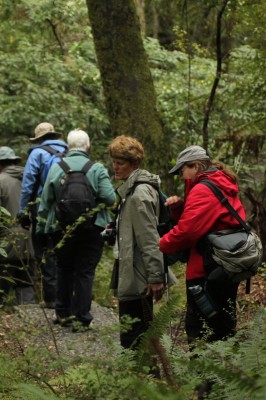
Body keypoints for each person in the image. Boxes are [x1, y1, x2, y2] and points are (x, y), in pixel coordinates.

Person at [159, 145, 246, 345]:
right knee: (222, 328)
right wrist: (180, 207)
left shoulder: (203, 190)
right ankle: (224, 375)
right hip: (225, 268)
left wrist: (162, 243)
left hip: (206, 271)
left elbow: (187, 232)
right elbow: (208, 224)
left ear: (196, 166)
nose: (181, 177)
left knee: (200, 331)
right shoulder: (221, 183)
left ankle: (203, 376)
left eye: (182, 171)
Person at [36, 128, 116, 331]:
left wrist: (41, 228)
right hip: (93, 227)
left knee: (63, 268)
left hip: (61, 228)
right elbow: (110, 198)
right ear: (88, 147)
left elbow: (46, 201)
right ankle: (82, 318)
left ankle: (62, 314)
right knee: (85, 272)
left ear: (69, 147)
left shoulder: (57, 167)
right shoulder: (96, 168)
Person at [108, 135, 171, 349]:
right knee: (137, 334)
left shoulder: (139, 194)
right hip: (133, 270)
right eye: (113, 161)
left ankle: (145, 379)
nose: (115, 167)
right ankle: (144, 377)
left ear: (134, 163)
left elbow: (150, 238)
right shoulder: (132, 189)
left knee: (134, 337)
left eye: (120, 163)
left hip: (139, 275)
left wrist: (155, 276)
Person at [18, 122, 68, 308]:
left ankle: (50, 298)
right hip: (66, 209)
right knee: (62, 250)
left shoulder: (37, 154)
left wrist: (23, 212)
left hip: (41, 209)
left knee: (44, 252)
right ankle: (66, 297)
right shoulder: (69, 152)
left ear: (39, 138)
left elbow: (28, 185)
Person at [0, 146, 35, 305]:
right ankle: (30, 324)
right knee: (26, 285)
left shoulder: (1, 181)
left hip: (7, 243)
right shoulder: (31, 179)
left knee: (2, 288)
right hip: (30, 241)